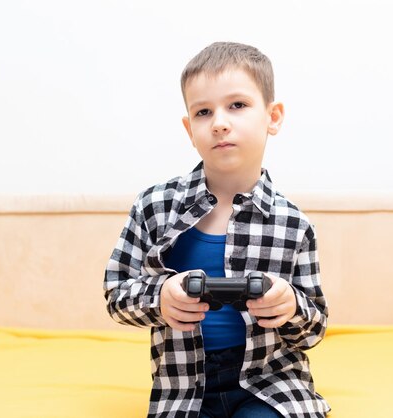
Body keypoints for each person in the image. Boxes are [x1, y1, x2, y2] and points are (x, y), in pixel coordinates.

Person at [104, 41, 330, 418]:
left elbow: (314, 328)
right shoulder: (153, 207)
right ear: (189, 128)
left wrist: (290, 304)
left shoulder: (294, 224)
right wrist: (160, 296)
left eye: (237, 105)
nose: (220, 122)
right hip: (184, 385)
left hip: (270, 382)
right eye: (203, 112)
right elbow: (116, 295)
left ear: (273, 117)